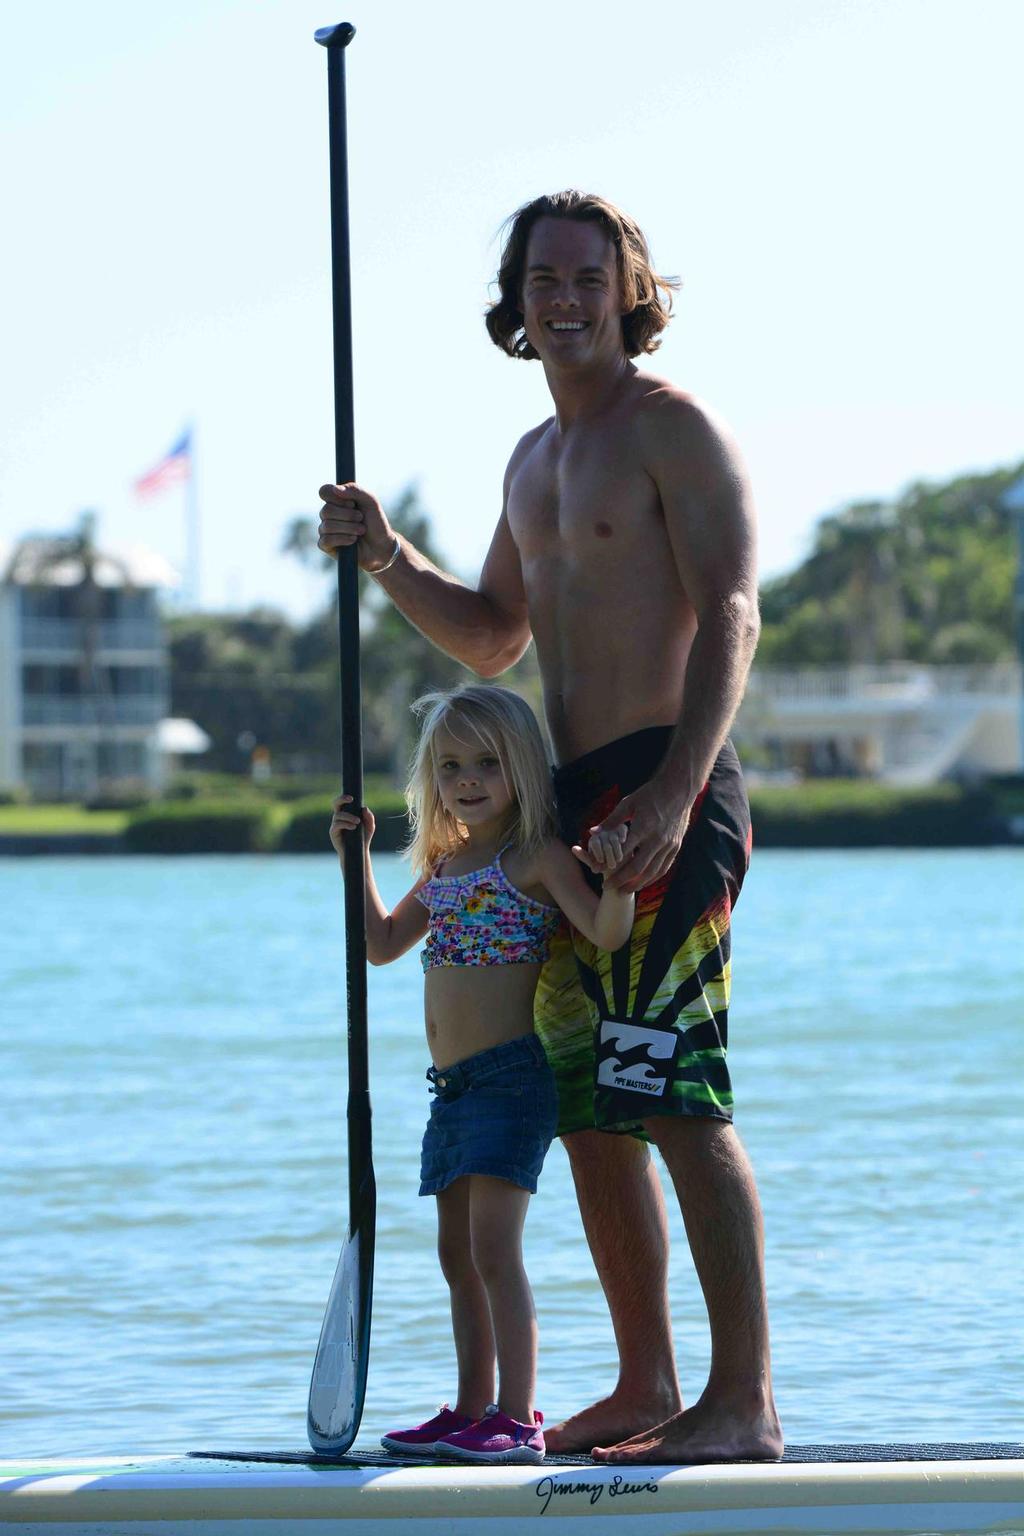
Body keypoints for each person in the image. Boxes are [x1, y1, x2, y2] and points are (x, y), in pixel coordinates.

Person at [317, 189, 783, 1465]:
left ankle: (743, 1404)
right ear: (515, 303)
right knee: (587, 1102)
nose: (565, 299)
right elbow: (493, 635)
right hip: (569, 808)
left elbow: (733, 612)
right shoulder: (531, 459)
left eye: (588, 278)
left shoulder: (671, 429)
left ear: (629, 292)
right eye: (542, 280)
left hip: (667, 790)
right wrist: (384, 553)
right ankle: (646, 1386)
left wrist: (678, 791)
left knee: (673, 1089)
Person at [330, 682, 634, 1465]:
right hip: (452, 1093)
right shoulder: (447, 864)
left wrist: (621, 883)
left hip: (509, 1081)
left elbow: (601, 930)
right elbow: (381, 942)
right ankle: (471, 1409)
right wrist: (354, 857)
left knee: (495, 1250)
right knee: (455, 1255)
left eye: (488, 764)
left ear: (523, 769)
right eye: (452, 765)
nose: (468, 780)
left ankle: (516, 1415)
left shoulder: (530, 858)